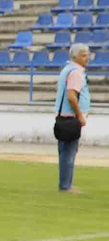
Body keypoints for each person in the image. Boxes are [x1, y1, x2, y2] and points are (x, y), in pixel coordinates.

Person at [54, 42, 90, 193]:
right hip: (70, 119)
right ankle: (65, 186)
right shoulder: (76, 72)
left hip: (63, 117)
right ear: (75, 57)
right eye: (84, 55)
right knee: (69, 153)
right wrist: (80, 115)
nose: (87, 58)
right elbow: (71, 96)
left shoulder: (67, 69)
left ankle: (65, 183)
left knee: (65, 153)